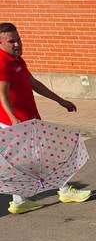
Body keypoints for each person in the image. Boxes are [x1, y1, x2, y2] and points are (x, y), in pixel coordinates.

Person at [0, 22, 90, 214]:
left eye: (18, 39)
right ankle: (65, 190)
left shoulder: (17, 60)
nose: (17, 44)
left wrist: (60, 100)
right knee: (50, 155)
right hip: (17, 123)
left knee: (23, 162)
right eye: (11, 41)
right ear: (0, 43)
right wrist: (14, 120)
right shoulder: (2, 62)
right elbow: (2, 94)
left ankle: (19, 201)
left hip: (28, 120)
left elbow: (33, 83)